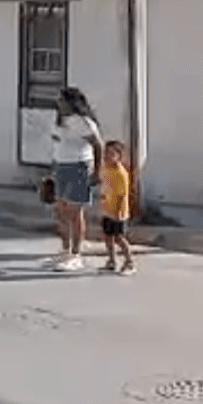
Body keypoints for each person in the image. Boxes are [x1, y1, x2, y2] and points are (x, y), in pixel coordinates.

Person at [46, 87, 103, 271]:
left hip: (78, 165)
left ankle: (76, 253)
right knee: (60, 210)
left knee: (74, 211)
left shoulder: (83, 122)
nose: (59, 103)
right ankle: (65, 249)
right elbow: (57, 142)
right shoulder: (60, 120)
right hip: (61, 164)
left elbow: (97, 145)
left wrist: (97, 171)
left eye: (62, 100)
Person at [98, 140, 137, 275]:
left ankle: (129, 262)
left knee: (119, 238)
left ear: (119, 156)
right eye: (106, 153)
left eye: (111, 154)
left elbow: (122, 195)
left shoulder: (121, 173)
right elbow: (104, 185)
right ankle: (111, 261)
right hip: (107, 210)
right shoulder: (105, 168)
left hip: (118, 212)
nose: (107, 156)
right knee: (107, 236)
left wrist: (118, 213)